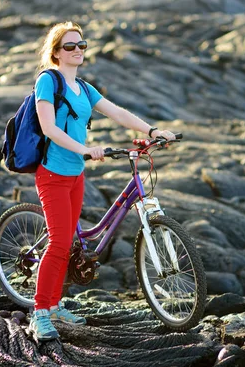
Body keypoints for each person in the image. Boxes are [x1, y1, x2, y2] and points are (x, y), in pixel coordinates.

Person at [29, 21, 176, 341]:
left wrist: (152, 131)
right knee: (58, 244)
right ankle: (39, 313)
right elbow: (48, 128)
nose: (78, 50)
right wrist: (85, 149)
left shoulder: (84, 87)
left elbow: (118, 113)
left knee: (69, 241)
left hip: (75, 175)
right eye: (70, 46)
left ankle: (54, 305)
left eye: (82, 45)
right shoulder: (47, 82)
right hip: (52, 174)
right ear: (56, 53)